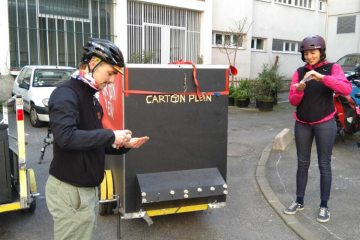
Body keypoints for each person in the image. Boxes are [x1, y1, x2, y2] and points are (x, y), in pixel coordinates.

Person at [45, 38, 149, 240]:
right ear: (93, 63)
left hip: (86, 189)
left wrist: (121, 144)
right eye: (110, 73)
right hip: (70, 190)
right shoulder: (66, 94)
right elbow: (65, 137)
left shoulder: (91, 97)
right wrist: (110, 135)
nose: (112, 80)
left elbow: (92, 141)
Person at [284, 35, 352, 223]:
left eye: (313, 53)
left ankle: (324, 205)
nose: (309, 56)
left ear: (321, 52)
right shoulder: (299, 71)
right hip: (302, 123)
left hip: (324, 122)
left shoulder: (332, 68)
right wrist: (299, 90)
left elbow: (345, 89)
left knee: (324, 164)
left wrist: (323, 78)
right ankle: (299, 201)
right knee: (302, 163)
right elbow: (292, 101)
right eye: (306, 53)